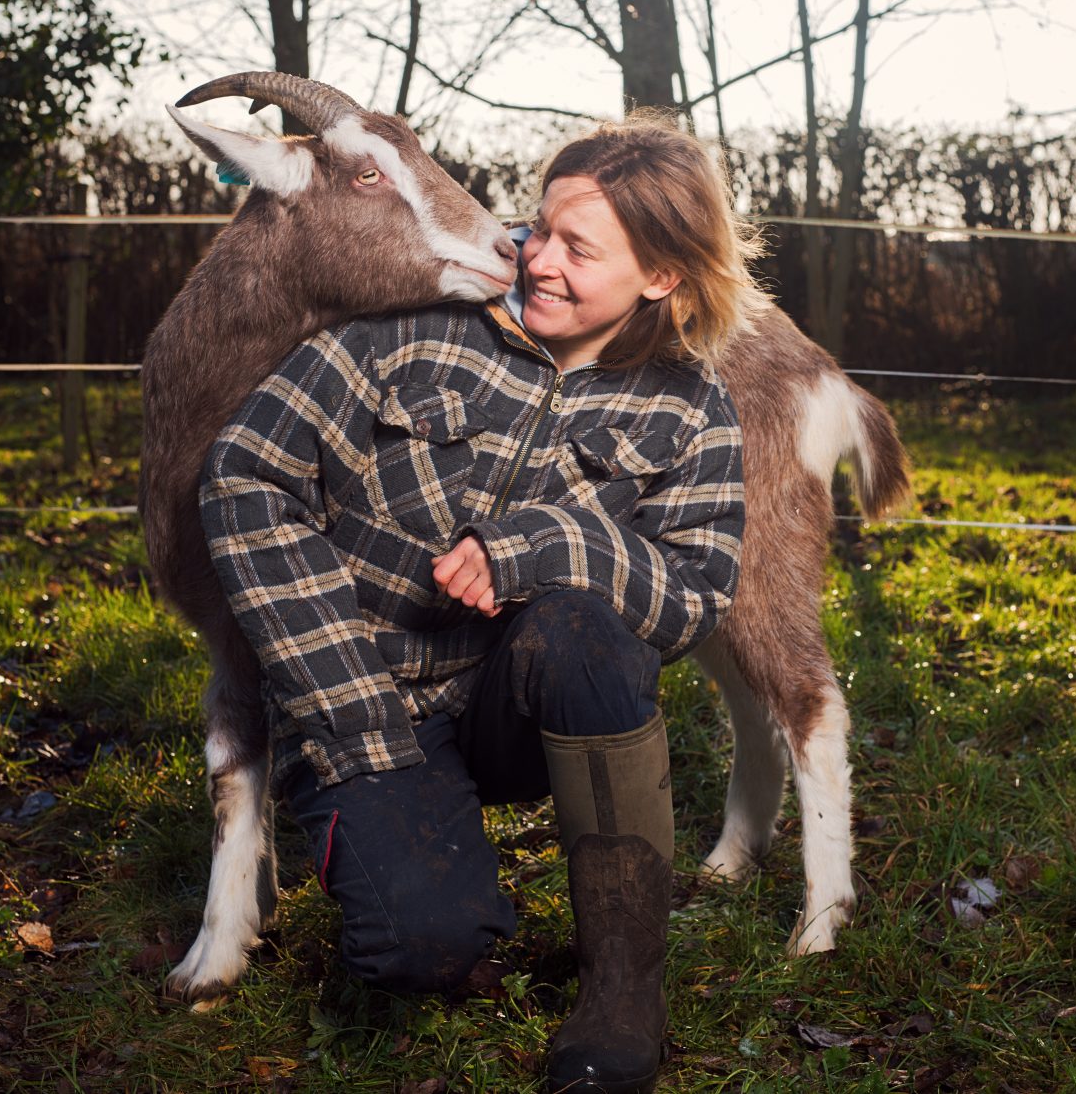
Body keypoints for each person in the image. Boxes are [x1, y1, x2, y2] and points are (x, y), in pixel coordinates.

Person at [198, 114, 758, 1094]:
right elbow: (245, 472)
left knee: (585, 626)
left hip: (518, 704)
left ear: (662, 275)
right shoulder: (410, 319)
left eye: (577, 248)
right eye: (541, 227)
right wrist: (355, 721)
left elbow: (695, 596)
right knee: (420, 948)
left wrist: (552, 543)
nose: (533, 258)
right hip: (366, 706)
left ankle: (624, 986)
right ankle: (423, 869)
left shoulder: (691, 410)